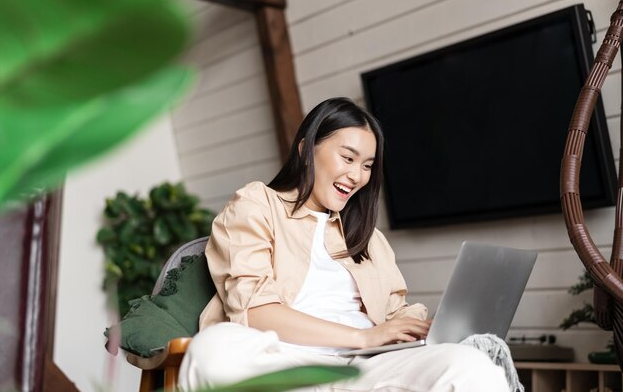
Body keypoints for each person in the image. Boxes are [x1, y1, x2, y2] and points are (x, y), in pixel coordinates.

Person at [178, 98, 510, 392]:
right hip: (285, 361)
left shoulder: (369, 237)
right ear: (306, 150)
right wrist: (364, 337)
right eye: (348, 158)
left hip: (366, 365)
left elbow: (393, 313)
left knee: (472, 367)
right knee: (213, 349)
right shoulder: (257, 205)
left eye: (367, 166)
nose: (357, 175)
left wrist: (426, 327)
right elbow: (254, 312)